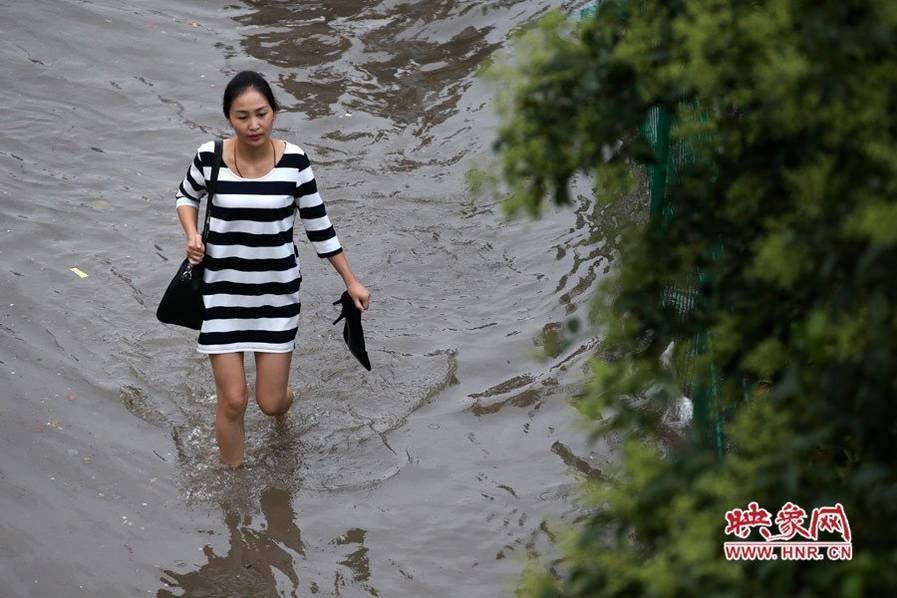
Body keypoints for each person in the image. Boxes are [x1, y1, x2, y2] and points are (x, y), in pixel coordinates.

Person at [174, 71, 371, 468]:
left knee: (269, 403)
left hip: (277, 295)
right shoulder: (209, 156)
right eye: (242, 116)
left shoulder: (295, 161)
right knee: (233, 401)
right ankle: (235, 489)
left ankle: (285, 402)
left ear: (274, 112)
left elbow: (319, 226)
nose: (253, 124)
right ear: (228, 117)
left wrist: (351, 281)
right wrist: (192, 233)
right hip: (221, 292)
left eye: (261, 113)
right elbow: (186, 194)